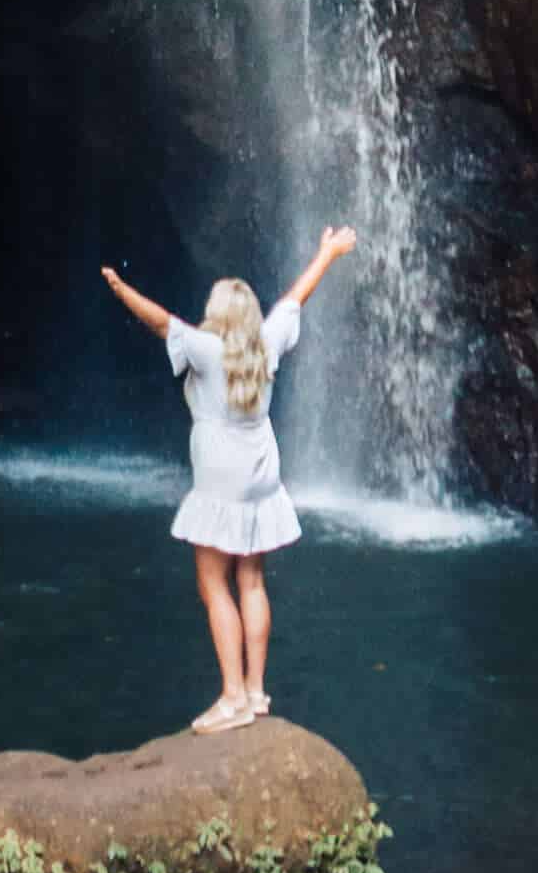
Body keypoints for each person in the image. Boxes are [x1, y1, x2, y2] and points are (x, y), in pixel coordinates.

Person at [98, 227, 357, 731]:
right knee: (252, 579)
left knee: (213, 582)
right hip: (262, 471)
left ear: (217, 314)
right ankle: (257, 691)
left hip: (221, 477)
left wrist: (119, 289)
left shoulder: (205, 348)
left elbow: (159, 322)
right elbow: (295, 297)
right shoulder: (266, 342)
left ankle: (233, 696)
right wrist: (327, 252)